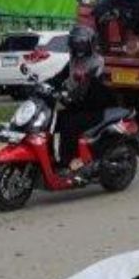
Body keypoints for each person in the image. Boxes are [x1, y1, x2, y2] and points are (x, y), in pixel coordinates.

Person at [47, 25, 113, 177]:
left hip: (94, 108)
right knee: (51, 121)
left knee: (70, 125)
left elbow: (92, 86)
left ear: (90, 44)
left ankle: (70, 162)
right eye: (75, 43)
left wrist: (73, 94)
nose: (78, 46)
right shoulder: (73, 61)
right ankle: (51, 159)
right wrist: (42, 85)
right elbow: (59, 78)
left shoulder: (97, 62)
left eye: (82, 43)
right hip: (76, 105)